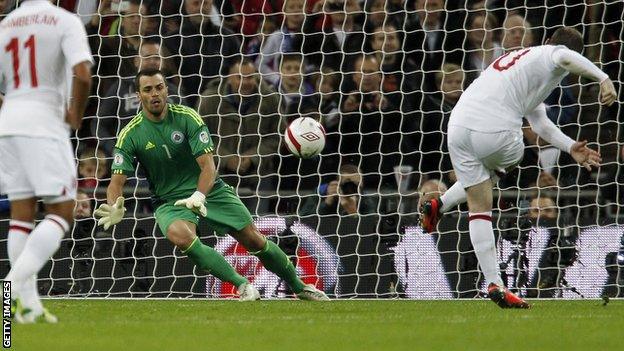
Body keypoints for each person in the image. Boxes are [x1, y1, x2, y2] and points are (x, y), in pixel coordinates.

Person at [419, 27, 617, 308]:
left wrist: (570, 146)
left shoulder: (526, 67)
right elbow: (562, 55)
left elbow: (539, 123)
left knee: (479, 203)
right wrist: (603, 77)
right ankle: (448, 209)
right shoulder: (550, 54)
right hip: (494, 128)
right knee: (516, 160)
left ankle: (492, 280)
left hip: (458, 125)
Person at [94, 69, 328, 301]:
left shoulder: (188, 117)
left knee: (253, 239)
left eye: (159, 87)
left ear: (166, 89)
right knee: (181, 236)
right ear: (138, 96)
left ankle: (300, 287)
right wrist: (114, 206)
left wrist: (199, 194)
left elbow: (208, 166)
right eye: (148, 90)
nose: (155, 94)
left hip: (210, 190)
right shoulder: (130, 134)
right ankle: (242, 285)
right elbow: (116, 182)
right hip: (169, 201)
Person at [0, 0, 93, 323]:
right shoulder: (63, 20)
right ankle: (11, 285)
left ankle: (28, 307)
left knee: (21, 213)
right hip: (44, 124)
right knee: (63, 211)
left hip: (9, 123)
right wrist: (75, 116)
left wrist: (11, 105)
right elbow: (82, 74)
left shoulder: (8, 22)